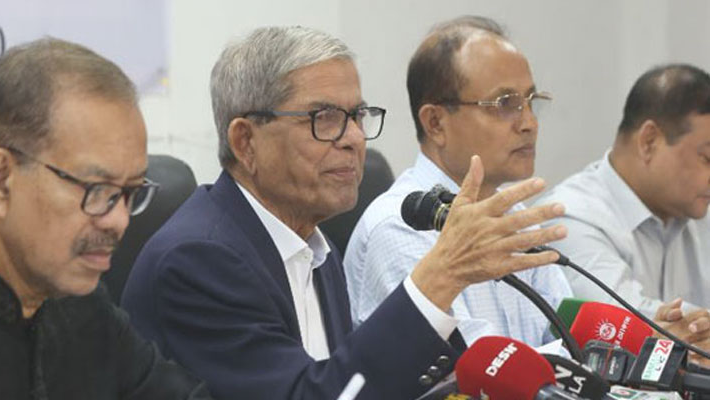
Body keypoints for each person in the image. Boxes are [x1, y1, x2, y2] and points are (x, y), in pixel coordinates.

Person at [122, 26, 567, 399]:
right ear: (245, 141)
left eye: (357, 115)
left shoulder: (318, 250)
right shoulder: (198, 260)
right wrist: (441, 275)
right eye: (325, 118)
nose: (354, 138)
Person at [0, 38, 211, 399]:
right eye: (97, 189)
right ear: (1, 179)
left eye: (129, 192)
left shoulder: (81, 302)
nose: (119, 220)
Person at [344, 16, 572, 349]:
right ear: (436, 123)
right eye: (506, 104)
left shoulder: (516, 217)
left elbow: (571, 338)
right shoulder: (399, 229)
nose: (529, 123)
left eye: (531, 101)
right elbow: (474, 368)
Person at [536, 64, 710, 338]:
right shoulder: (568, 219)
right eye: (707, 158)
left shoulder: (694, 210)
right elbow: (624, 334)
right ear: (649, 141)